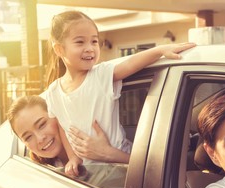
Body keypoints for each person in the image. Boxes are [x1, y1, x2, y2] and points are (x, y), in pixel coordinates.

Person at [44, 10, 196, 176]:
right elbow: (62, 126)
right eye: (80, 42)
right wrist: (73, 157)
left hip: (123, 168)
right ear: (59, 49)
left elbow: (130, 64)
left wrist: (159, 51)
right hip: (91, 173)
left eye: (94, 41)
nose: (89, 48)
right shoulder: (53, 92)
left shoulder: (101, 75)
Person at [7, 95, 125, 167]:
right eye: (28, 137)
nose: (39, 138)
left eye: (42, 124)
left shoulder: (93, 138)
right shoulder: (43, 171)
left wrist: (108, 154)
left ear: (57, 116)